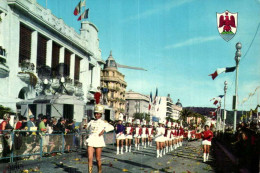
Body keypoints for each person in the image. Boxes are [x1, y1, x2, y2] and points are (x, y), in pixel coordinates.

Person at [86, 104, 114, 173]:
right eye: (95, 114)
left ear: (101, 114)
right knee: (90, 158)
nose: (96, 115)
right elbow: (87, 127)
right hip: (91, 139)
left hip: (98, 140)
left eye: (98, 114)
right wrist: (85, 127)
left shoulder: (103, 122)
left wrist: (104, 130)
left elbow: (112, 127)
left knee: (98, 159)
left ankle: (100, 171)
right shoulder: (91, 121)